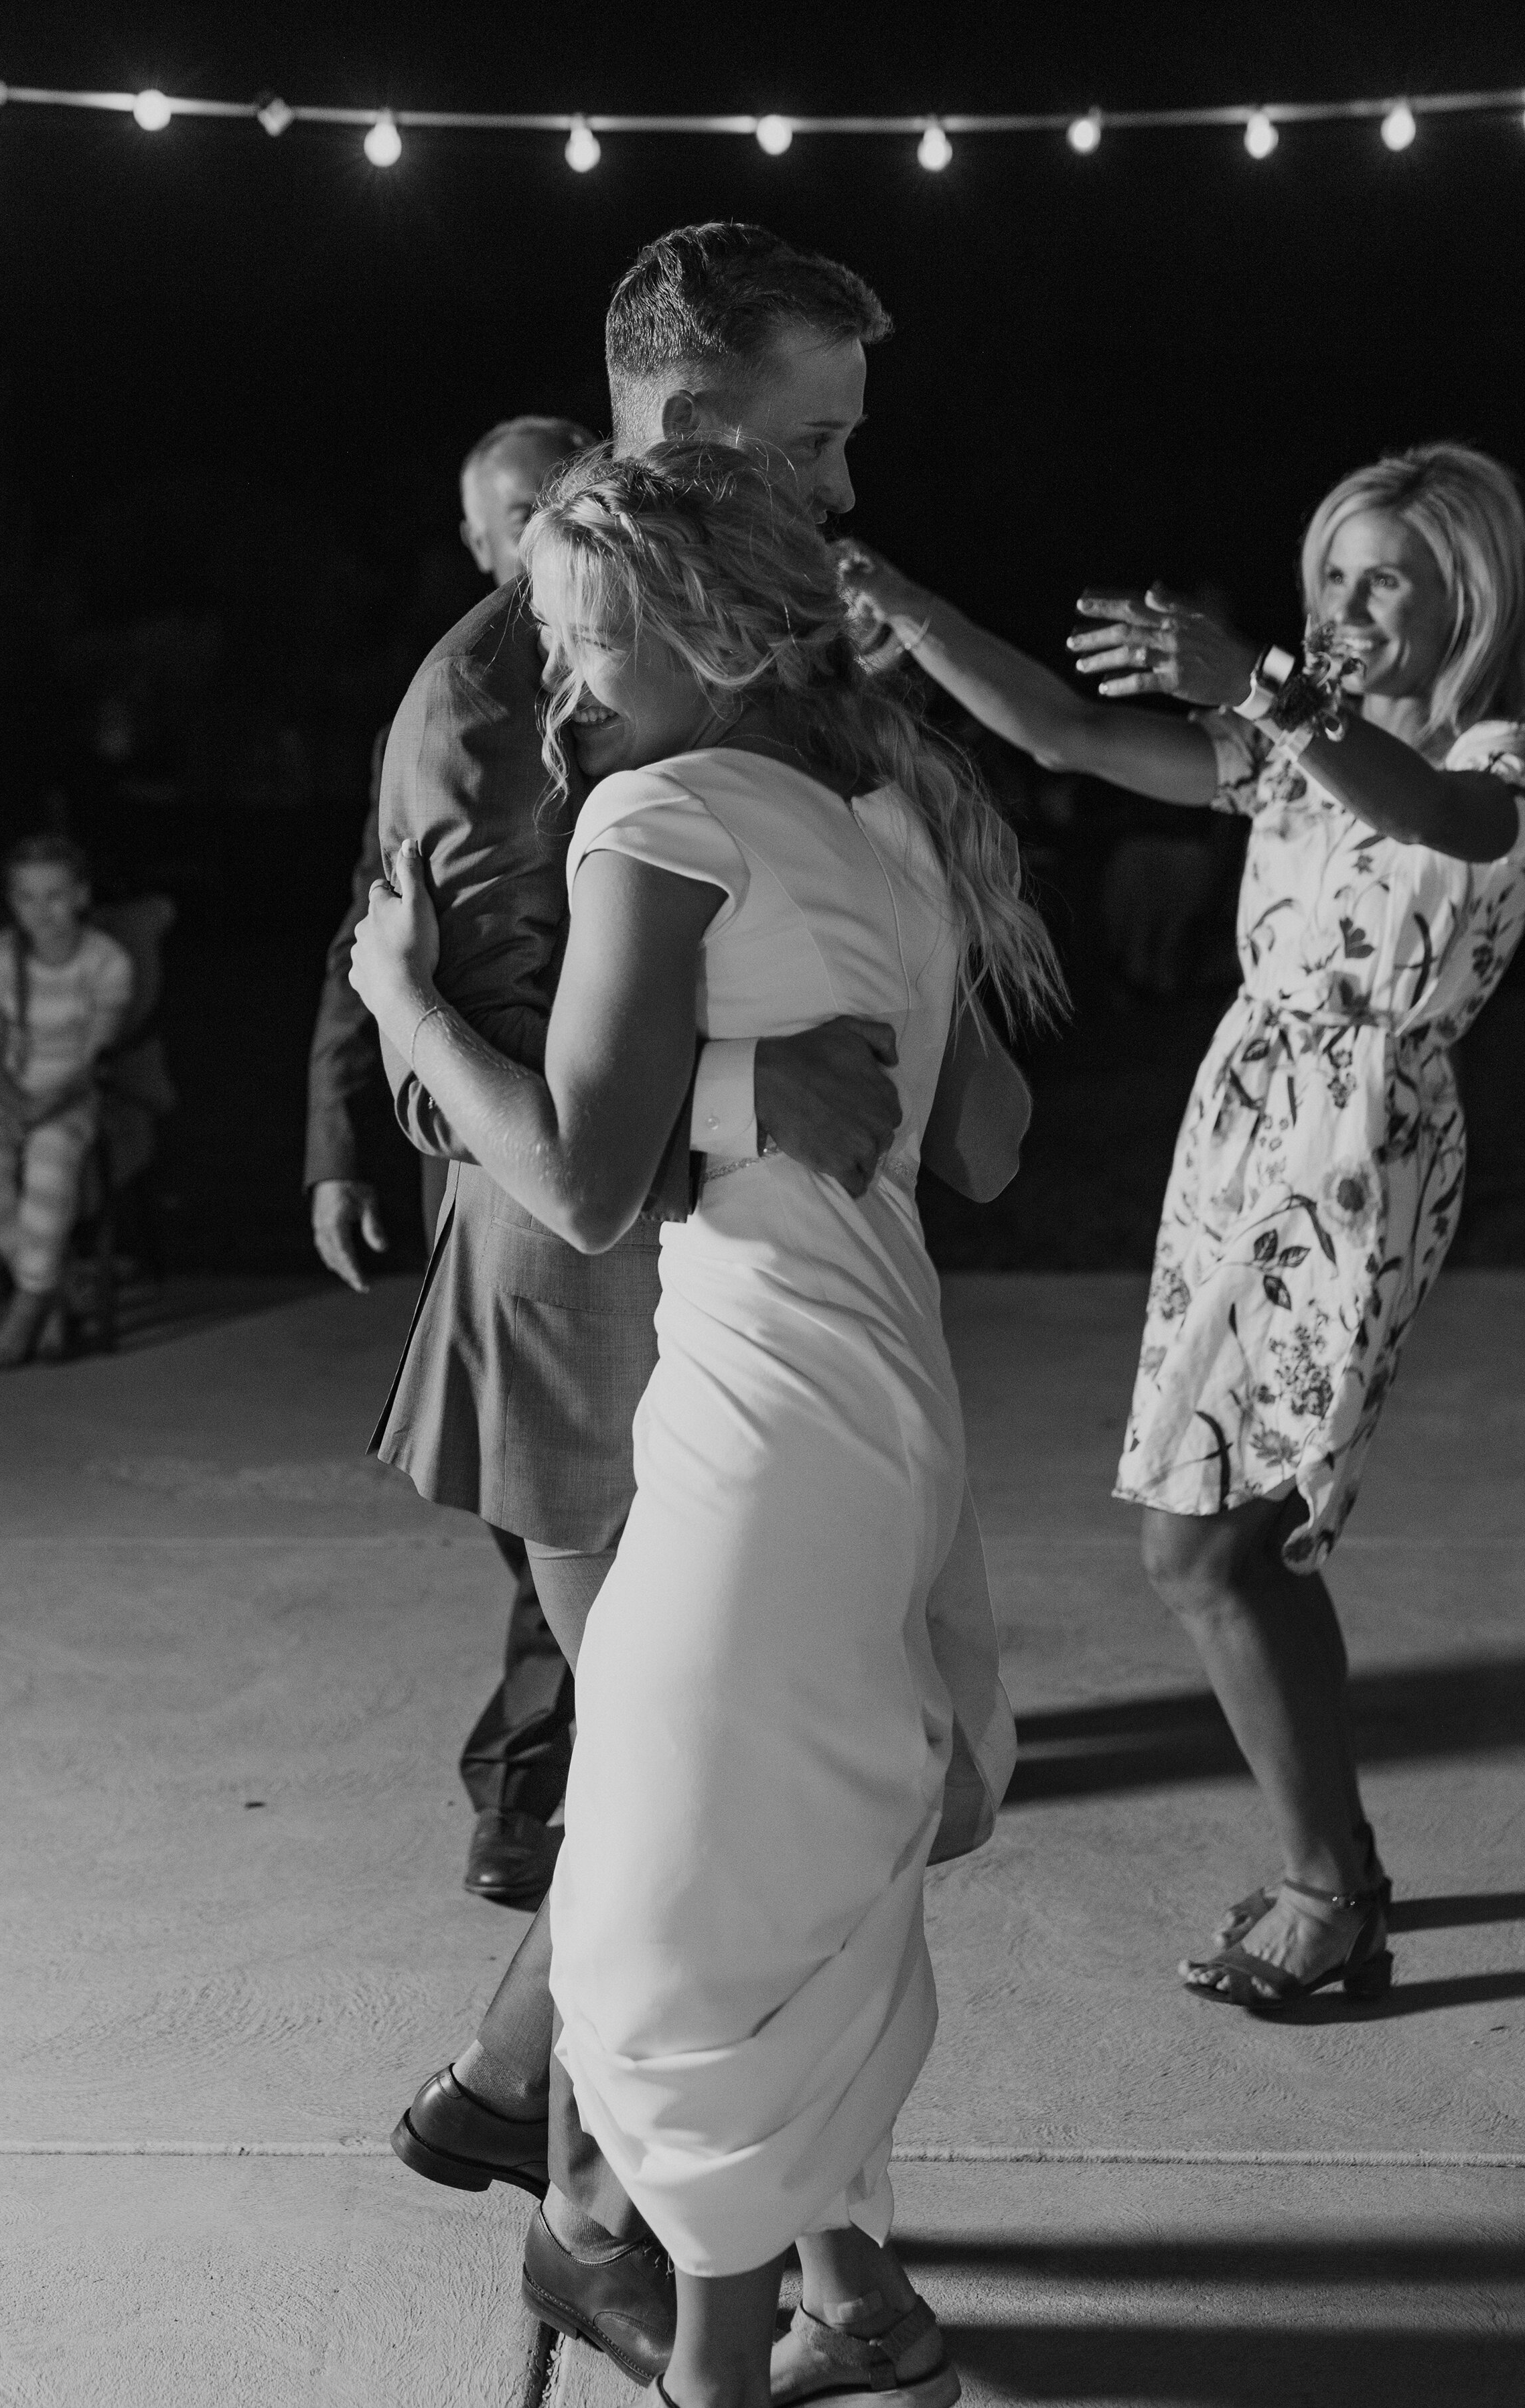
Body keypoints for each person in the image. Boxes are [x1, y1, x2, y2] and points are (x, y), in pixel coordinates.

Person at [374, 225, 1029, 2385]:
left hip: (772, 1316)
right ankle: (629, 2212)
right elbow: (471, 1047)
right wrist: (749, 1093)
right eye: (812, 441)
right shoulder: (518, 680)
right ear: (691, 421)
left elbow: (891, 1046)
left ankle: (646, 2214)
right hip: (595, 1317)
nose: (844, 489)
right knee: (687, 1819)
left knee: (729, 1821)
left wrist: (804, 1077)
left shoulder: (787, 681)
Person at [837, 441, 1525, 2013]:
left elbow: (1436, 818)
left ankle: (1331, 1889)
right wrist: (910, 607)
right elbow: (1069, 731)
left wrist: (1269, 688)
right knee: (1225, 1538)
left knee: (1210, 1541)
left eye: (1385, 578)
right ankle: (1334, 1873)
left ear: (1468, 598)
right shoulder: (1288, 748)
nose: (1345, 603)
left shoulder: (1491, 754)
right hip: (1238, 1130)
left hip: (1353, 1152)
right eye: (1330, 573)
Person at [305, 414, 597, 1910]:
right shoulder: (461, 704)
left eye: (560, 494)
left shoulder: (637, 675)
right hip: (489, 1139)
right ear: (483, 544)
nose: (541, 524)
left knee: (578, 1486)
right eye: (514, 514)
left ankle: (527, 1780)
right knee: (529, 1491)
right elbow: (369, 932)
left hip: (605, 1142)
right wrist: (337, 1143)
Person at [0, 834, 134, 1369]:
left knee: (48, 1164)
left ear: (81, 895)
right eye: (27, 897)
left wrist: (46, 1109)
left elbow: (93, 1061)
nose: (42, 910)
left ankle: (28, 1307)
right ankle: (52, 1288)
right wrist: (16, 1105)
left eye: (55, 895)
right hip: (10, 1093)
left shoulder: (106, 961)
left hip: (72, 1094)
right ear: (12, 901)